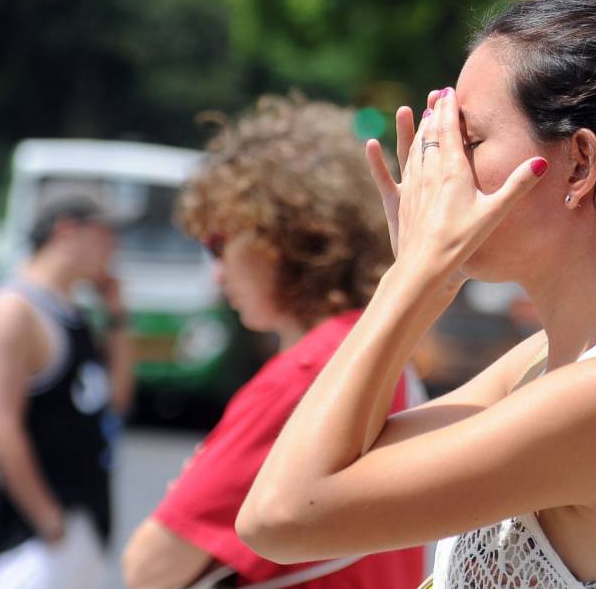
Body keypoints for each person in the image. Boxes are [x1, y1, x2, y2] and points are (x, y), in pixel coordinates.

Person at [236, 0, 596, 588]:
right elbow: (347, 461)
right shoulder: (543, 363)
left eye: (468, 142)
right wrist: (429, 273)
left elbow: (281, 517)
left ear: (580, 164)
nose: (439, 167)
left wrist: (413, 277)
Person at [120, 95, 424, 588]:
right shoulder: (377, 349)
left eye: (219, 243)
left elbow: (149, 568)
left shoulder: (308, 374)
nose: (216, 273)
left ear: (284, 236)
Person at [0, 194, 135, 589]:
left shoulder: (72, 310)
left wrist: (117, 315)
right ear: (67, 231)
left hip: (82, 516)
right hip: (28, 537)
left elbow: (118, 398)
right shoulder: (12, 311)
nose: (114, 248)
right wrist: (48, 520)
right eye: (106, 234)